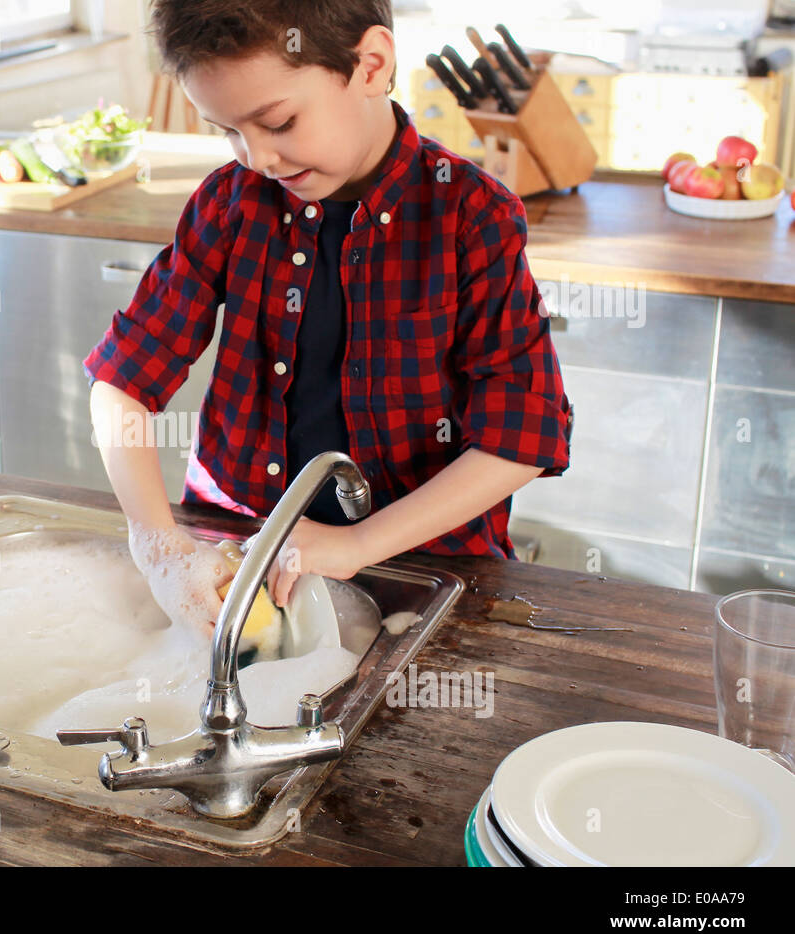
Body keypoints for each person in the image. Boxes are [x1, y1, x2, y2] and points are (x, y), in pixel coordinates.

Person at [84, 0, 572, 639]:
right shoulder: (231, 203)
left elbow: (521, 440)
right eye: (228, 131)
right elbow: (121, 382)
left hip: (425, 568)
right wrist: (157, 544)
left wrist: (357, 543)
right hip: (241, 553)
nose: (256, 157)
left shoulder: (470, 215)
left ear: (371, 65)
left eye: (278, 122)